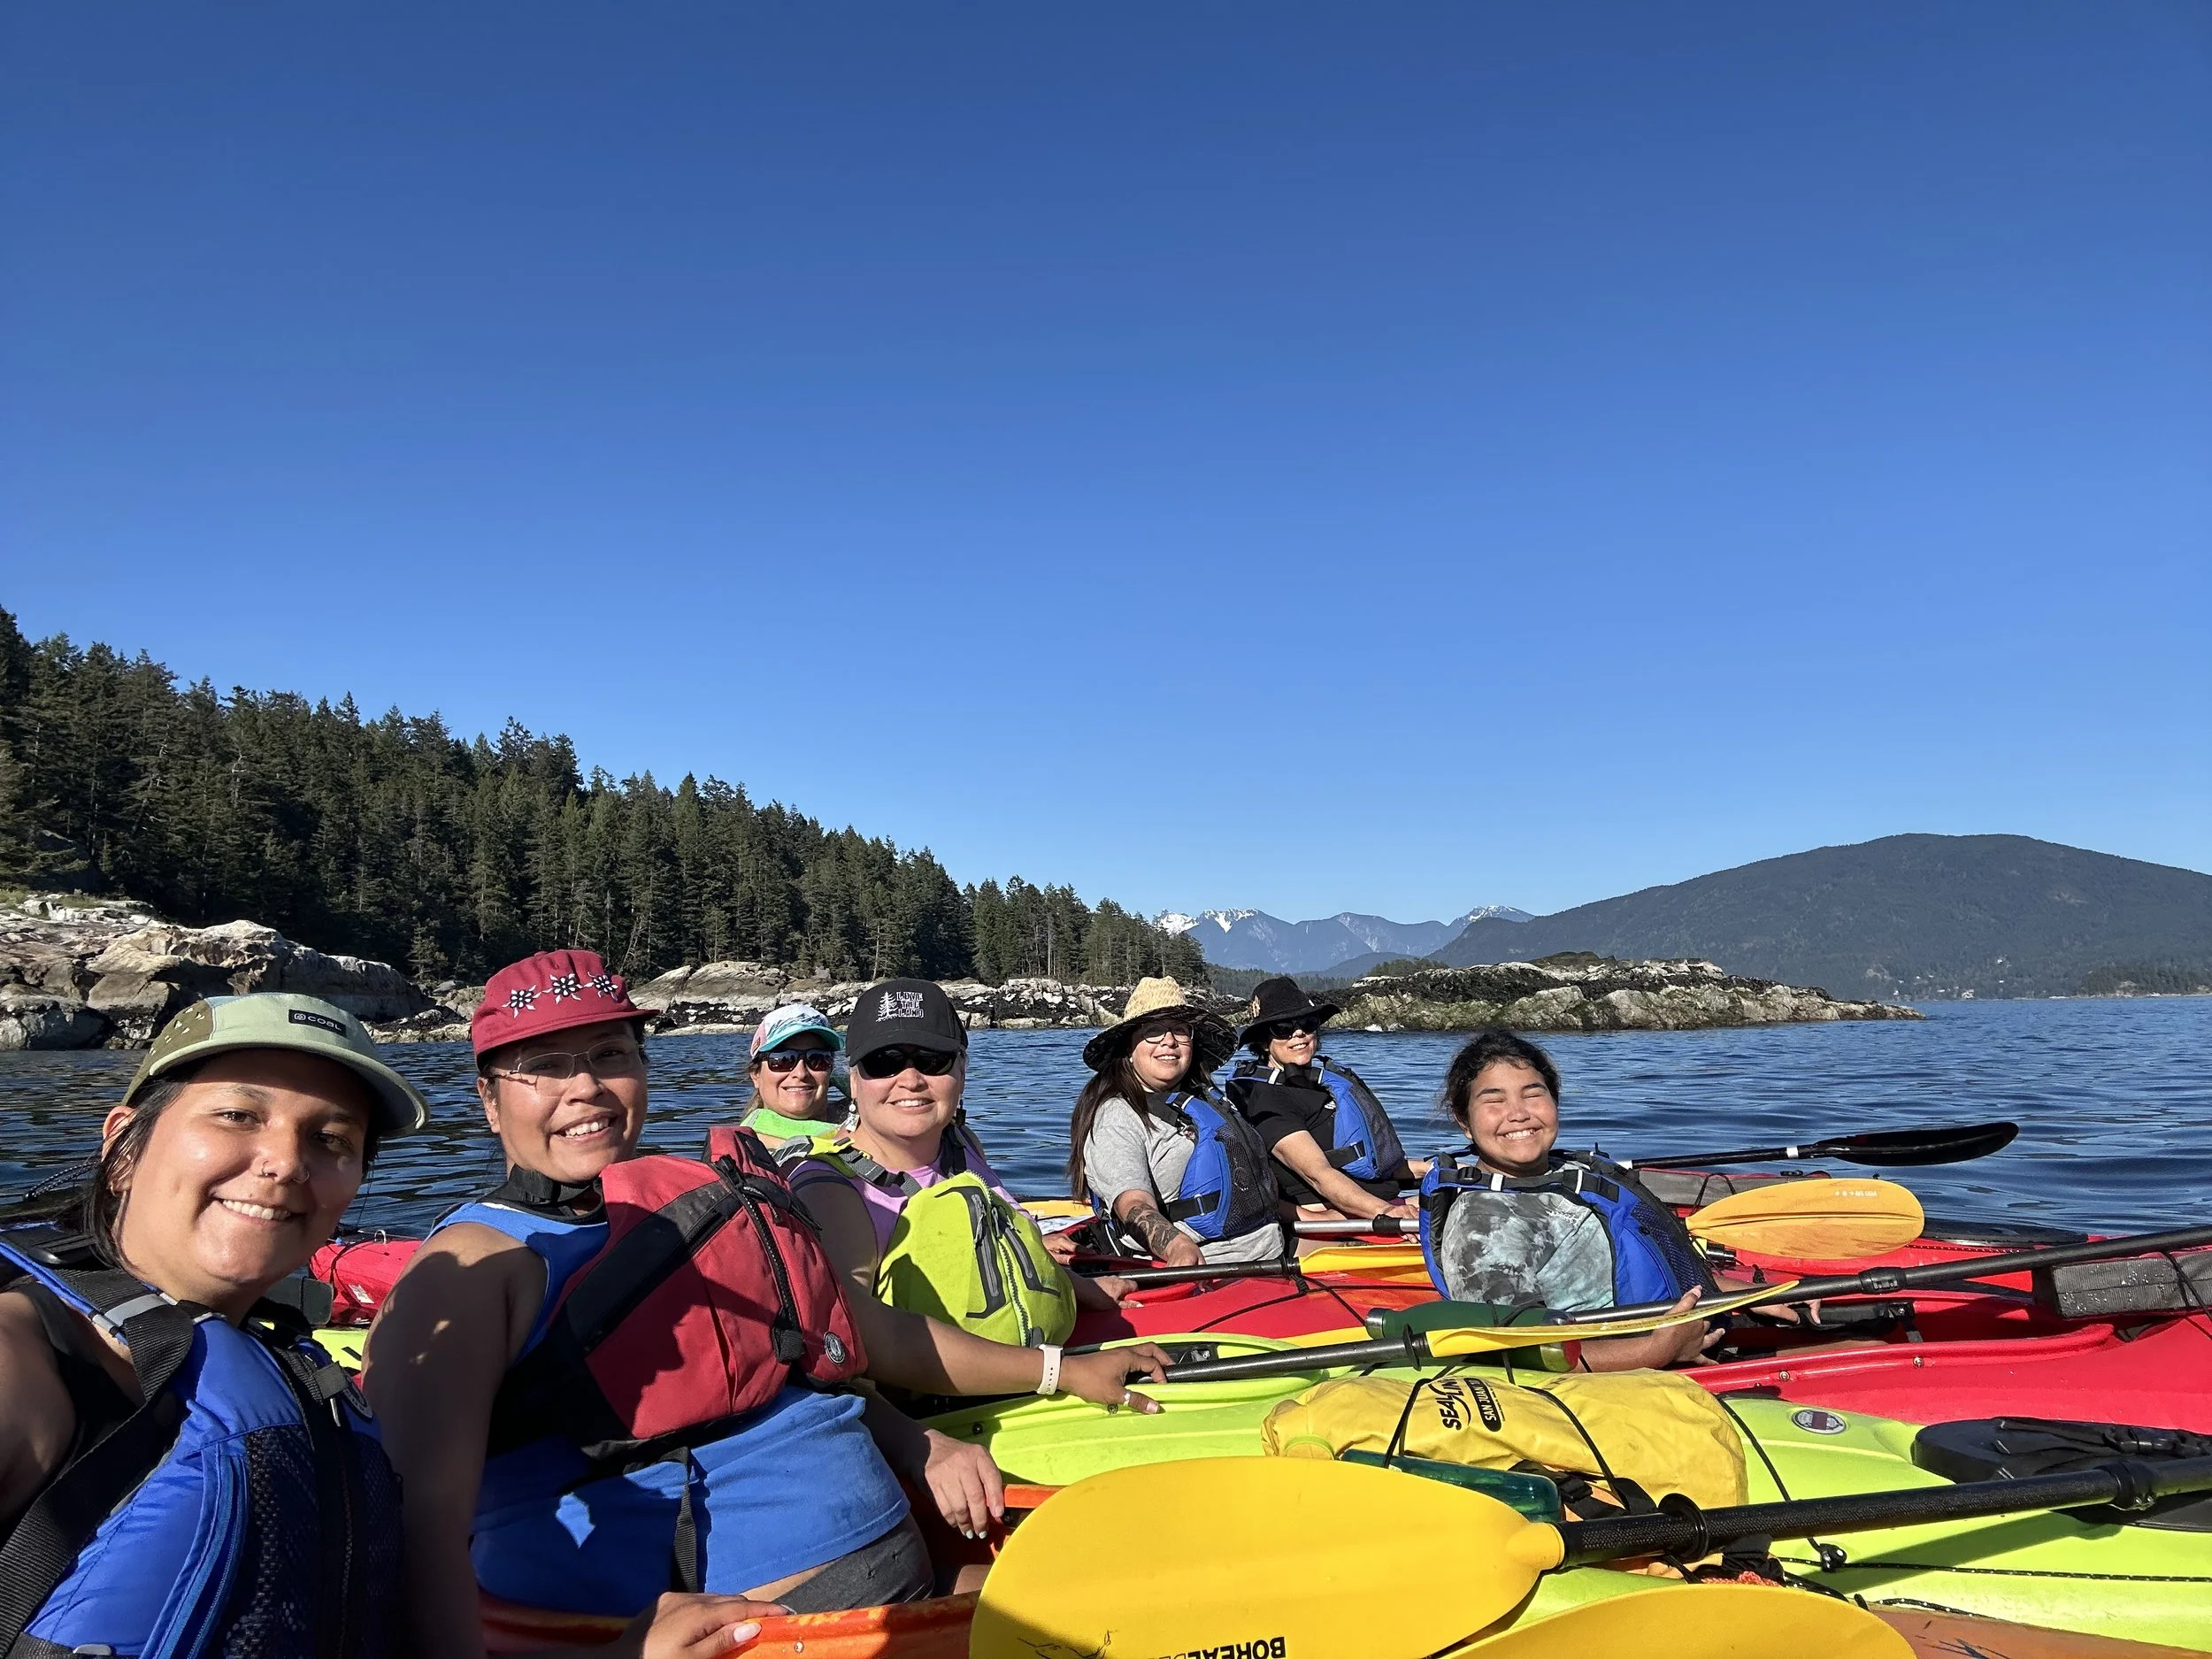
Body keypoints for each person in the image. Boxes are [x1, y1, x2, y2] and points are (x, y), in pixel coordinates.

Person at [365, 950, 996, 1659]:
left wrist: (920, 1440)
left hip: (895, 1583)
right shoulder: (476, 1266)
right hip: (770, 1632)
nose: (587, 1088)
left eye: (610, 1054)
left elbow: (790, 1368)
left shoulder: (689, 1202)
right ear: (489, 1099)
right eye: (544, 1065)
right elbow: (412, 1532)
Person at [0, 992, 429, 1659]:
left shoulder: (282, 1357)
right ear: (121, 1150)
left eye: (330, 1139)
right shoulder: (20, 1357)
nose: (286, 1161)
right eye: (236, 1114)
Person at [788, 979, 1172, 1411]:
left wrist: (1075, 1287)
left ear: (961, 1072)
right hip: (941, 1410)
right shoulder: (832, 1189)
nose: (911, 1079)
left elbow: (997, 1245)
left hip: (1034, 1371)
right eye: (884, 1062)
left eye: (933, 1060)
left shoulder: (959, 1143)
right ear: (854, 1081)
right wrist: (1058, 1372)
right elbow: (856, 1334)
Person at [1419, 1028, 1717, 1371]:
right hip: (1635, 1372)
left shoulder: (1570, 1173)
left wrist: (1730, 1294)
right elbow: (1525, 1356)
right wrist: (1657, 1350)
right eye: (1494, 1101)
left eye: (1533, 1094)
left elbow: (1646, 1256)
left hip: (1690, 1324)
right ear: (1464, 1122)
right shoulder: (1481, 1230)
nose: (1518, 1113)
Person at [1068, 976, 1284, 1267]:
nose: (1169, 1041)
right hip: (1209, 1265)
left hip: (1269, 1247)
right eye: (1153, 1032)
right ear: (1129, 1050)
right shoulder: (1117, 1116)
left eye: (1180, 1032)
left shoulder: (1205, 1099)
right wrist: (1176, 1247)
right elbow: (1132, 1204)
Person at [1222, 976, 1426, 1226]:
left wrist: (1429, 1169)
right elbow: (1319, 1174)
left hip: (1378, 1203)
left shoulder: (1320, 1082)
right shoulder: (1266, 1100)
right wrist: (1385, 1211)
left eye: (1307, 1023)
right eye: (1283, 1028)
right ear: (1264, 1042)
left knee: (1470, 1190)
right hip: (1342, 1219)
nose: (1298, 1033)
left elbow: (1368, 1159)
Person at [741, 1002, 845, 1150]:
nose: (801, 1073)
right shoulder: (745, 1149)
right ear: (756, 1075)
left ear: (831, 1070)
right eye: (783, 1060)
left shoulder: (859, 1119)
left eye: (817, 1059)